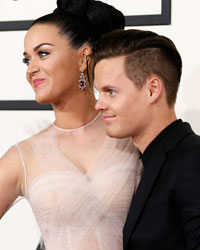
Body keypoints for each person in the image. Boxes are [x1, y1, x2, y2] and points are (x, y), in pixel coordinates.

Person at [0, 1, 143, 250]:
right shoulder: (23, 156)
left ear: (83, 57)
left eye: (42, 53)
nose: (31, 69)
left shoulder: (132, 134)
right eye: (27, 60)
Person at [93, 28, 200, 250]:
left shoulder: (192, 159)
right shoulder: (139, 161)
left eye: (110, 91)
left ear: (152, 90)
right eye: (99, 92)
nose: (99, 104)